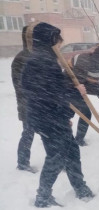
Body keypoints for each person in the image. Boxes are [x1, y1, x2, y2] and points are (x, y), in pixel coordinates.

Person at [22, 22, 94, 207]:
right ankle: (43, 198)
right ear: (50, 39)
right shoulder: (43, 62)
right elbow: (51, 94)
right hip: (48, 117)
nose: (60, 45)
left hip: (49, 116)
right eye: (58, 41)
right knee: (57, 156)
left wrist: (63, 114)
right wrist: (76, 92)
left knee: (71, 152)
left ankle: (80, 188)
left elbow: (51, 91)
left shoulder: (41, 59)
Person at [67, 43, 99, 146]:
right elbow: (80, 82)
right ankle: (60, 137)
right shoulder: (83, 60)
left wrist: (98, 92)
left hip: (77, 90)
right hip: (67, 88)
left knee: (84, 113)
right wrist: (92, 90)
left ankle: (78, 139)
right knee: (70, 113)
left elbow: (93, 82)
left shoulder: (97, 65)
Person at [11, 26, 38, 173]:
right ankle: (22, 163)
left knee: (52, 134)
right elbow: (21, 85)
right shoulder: (22, 58)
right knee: (28, 133)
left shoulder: (39, 55)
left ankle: (60, 161)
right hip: (29, 104)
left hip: (39, 104)